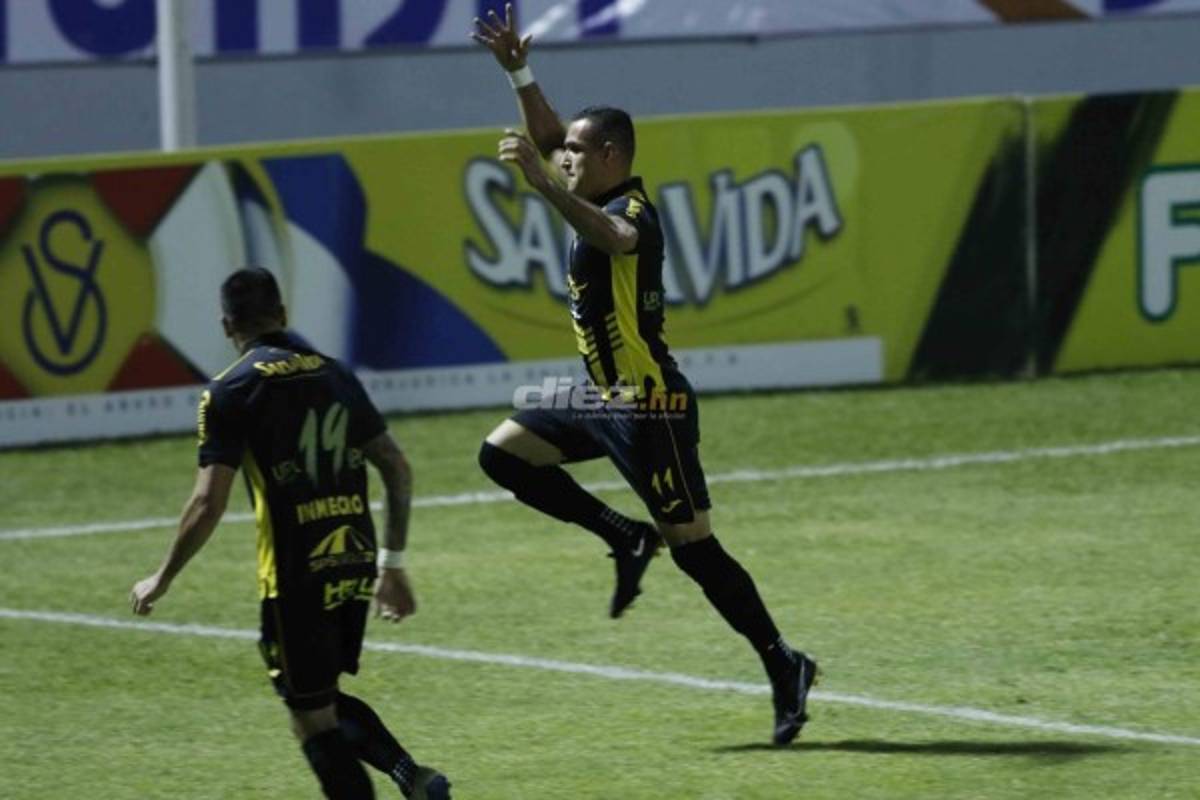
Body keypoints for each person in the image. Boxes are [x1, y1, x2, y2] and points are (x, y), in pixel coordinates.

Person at [471, 6, 818, 746]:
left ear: (607, 158)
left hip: (651, 406)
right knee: (503, 453)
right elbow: (545, 140)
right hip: (603, 396)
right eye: (560, 150)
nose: (558, 154)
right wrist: (520, 73)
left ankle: (783, 662)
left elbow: (618, 239)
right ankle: (623, 537)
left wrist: (541, 184)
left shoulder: (631, 211)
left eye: (572, 150)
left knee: (695, 547)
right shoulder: (588, 188)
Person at [130, 268, 450, 799]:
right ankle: (412, 778)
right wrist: (391, 563)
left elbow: (209, 502)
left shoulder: (229, 392)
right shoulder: (336, 374)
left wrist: (162, 577)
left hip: (294, 574)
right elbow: (395, 465)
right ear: (283, 315)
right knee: (320, 695)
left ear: (227, 325)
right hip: (353, 559)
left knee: (311, 717)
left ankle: (411, 779)